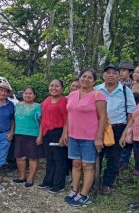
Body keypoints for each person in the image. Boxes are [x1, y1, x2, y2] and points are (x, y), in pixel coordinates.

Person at [64, 68, 107, 207]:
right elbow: (68, 115)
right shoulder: (72, 94)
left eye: (90, 77)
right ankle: (74, 190)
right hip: (73, 136)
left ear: (94, 81)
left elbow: (102, 118)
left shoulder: (98, 95)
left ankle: (84, 195)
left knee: (88, 166)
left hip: (89, 137)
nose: (86, 79)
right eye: (84, 76)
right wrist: (65, 132)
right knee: (76, 164)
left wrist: (99, 137)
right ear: (79, 77)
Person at [95, 64, 136, 195]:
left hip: (118, 128)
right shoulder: (96, 90)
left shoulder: (125, 91)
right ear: (103, 76)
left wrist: (124, 134)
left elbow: (131, 114)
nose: (111, 75)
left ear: (119, 76)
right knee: (96, 155)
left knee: (114, 158)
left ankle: (107, 183)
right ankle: (94, 181)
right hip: (98, 128)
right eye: (108, 72)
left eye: (114, 73)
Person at [37, 79, 68, 194]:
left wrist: (64, 135)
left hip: (58, 132)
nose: (54, 88)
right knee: (49, 159)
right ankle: (48, 181)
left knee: (59, 159)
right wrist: (40, 135)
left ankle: (59, 185)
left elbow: (67, 120)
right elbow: (43, 120)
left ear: (62, 89)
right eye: (51, 86)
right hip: (47, 133)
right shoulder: (46, 100)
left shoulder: (64, 101)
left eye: (57, 86)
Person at [13, 87, 43, 188]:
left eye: (30, 93)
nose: (28, 95)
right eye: (26, 93)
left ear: (34, 96)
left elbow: (42, 122)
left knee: (33, 157)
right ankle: (22, 177)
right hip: (19, 133)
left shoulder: (37, 106)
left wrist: (40, 135)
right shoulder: (17, 105)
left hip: (33, 134)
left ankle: (30, 178)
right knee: (19, 156)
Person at [120, 64, 139, 171]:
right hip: (128, 113)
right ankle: (123, 162)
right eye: (135, 72)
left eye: (138, 72)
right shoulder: (130, 85)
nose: (136, 74)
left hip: (137, 116)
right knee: (127, 138)